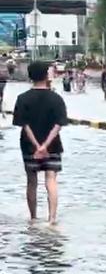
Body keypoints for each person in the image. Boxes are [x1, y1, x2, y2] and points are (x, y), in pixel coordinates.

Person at [13, 61, 68, 223]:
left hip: (29, 147)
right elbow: (59, 125)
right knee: (51, 179)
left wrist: (37, 146)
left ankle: (33, 217)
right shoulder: (56, 98)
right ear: (46, 75)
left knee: (31, 181)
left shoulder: (22, 98)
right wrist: (45, 146)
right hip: (53, 146)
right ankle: (51, 219)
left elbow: (24, 125)